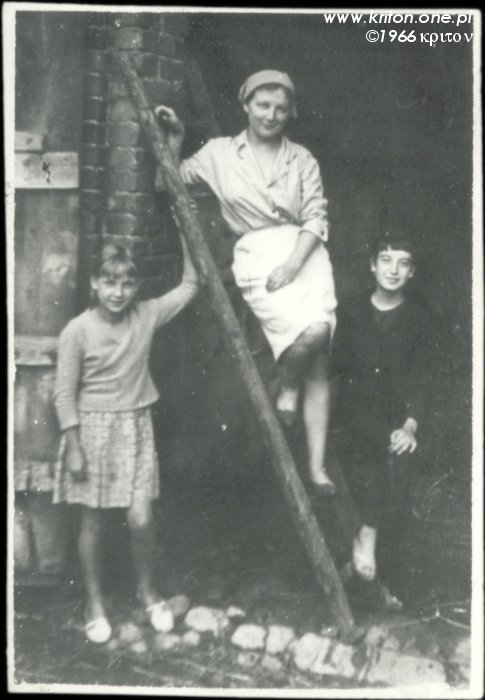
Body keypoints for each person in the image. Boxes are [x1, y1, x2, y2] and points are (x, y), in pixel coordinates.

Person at [155, 69, 338, 495]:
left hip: (305, 253)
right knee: (312, 332)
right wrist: (176, 140)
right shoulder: (219, 153)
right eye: (262, 105)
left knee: (320, 355)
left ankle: (316, 468)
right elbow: (165, 182)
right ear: (246, 105)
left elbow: (316, 217)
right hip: (256, 252)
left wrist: (293, 264)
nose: (271, 115)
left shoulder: (302, 159)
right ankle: (287, 387)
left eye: (280, 108)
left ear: (290, 113)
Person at [53, 238, 198, 643]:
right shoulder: (77, 331)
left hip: (135, 428)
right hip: (92, 432)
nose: (118, 293)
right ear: (94, 284)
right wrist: (75, 447)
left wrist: (184, 231)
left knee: (141, 518)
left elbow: (190, 286)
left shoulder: (146, 315)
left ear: (137, 287)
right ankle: (94, 603)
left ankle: (148, 592)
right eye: (109, 282)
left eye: (127, 284)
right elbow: (63, 393)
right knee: (93, 522)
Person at [332, 228, 435, 604]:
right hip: (351, 416)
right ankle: (364, 544)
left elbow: (423, 378)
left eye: (403, 263)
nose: (393, 270)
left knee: (397, 457)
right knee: (368, 453)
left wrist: (410, 426)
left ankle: (368, 567)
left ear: (412, 272)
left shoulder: (420, 318)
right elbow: (335, 370)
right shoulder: (350, 311)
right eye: (386, 260)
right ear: (372, 265)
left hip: (394, 419)